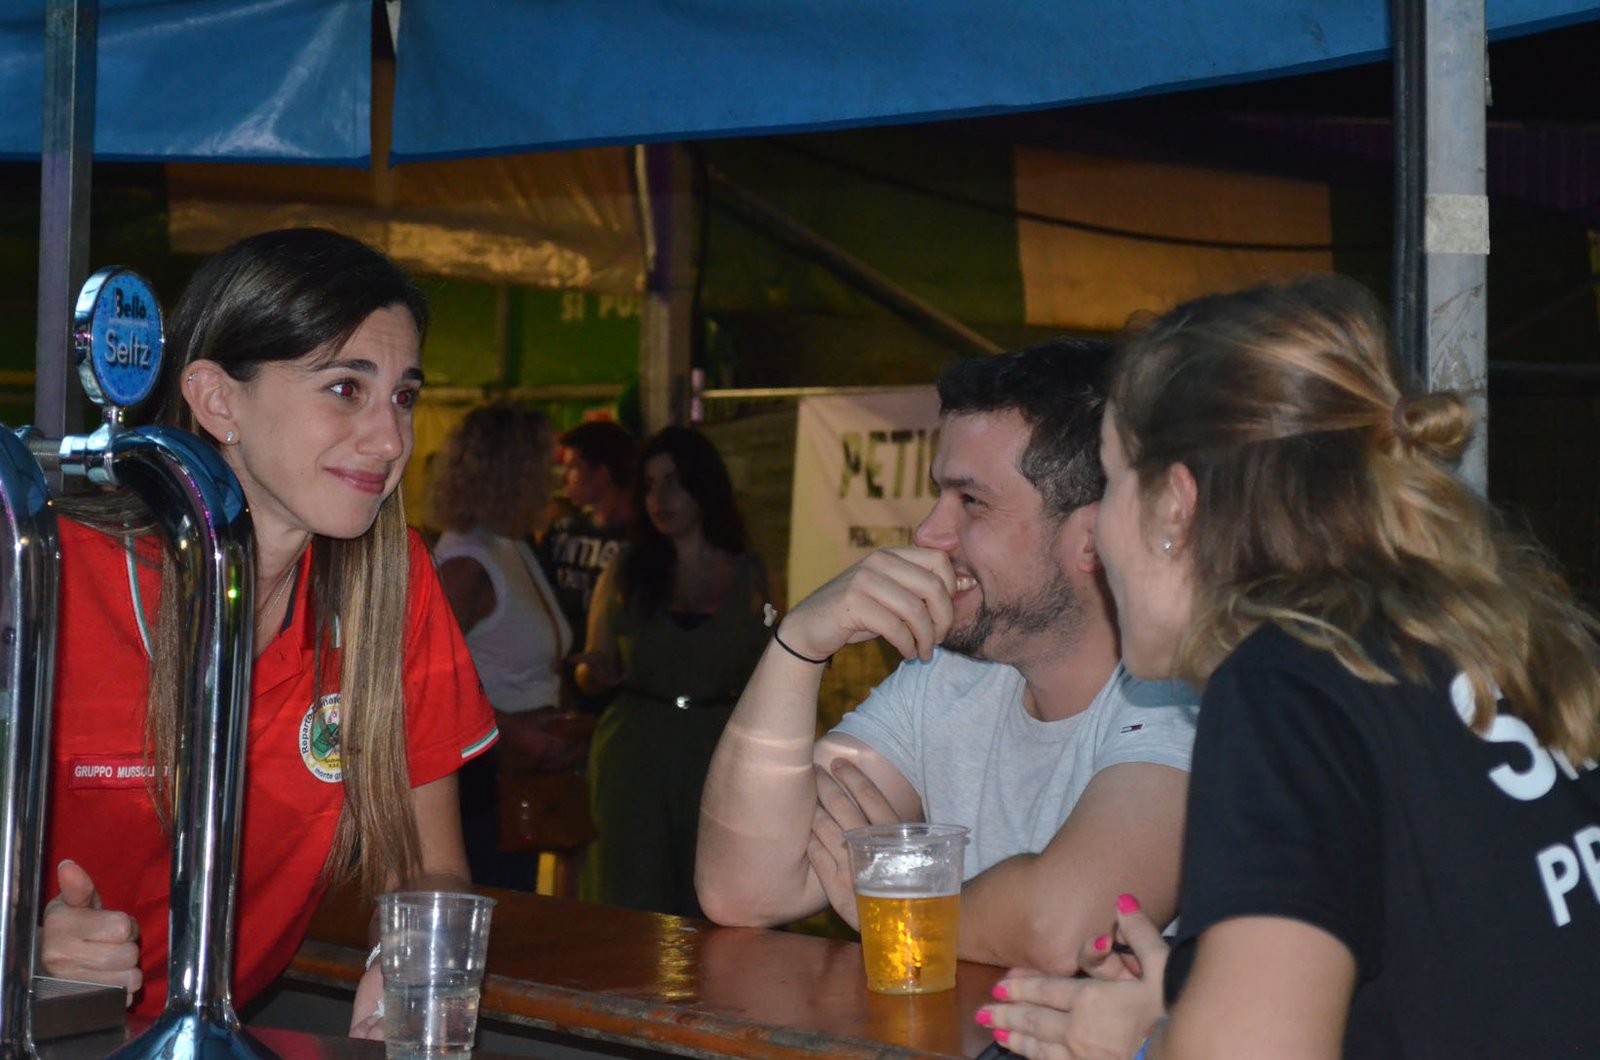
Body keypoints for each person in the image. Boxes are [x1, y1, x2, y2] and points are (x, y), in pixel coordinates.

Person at [978, 276, 1600, 1058]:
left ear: (1176, 506)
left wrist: (1148, 1045)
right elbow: (1466, 962)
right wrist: (1194, 994)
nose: (1097, 533)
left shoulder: (1284, 683)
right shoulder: (1476, 642)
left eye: (1110, 481)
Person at [38, 228, 496, 1037]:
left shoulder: (393, 587)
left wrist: (404, 960)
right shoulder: (58, 577)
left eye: (403, 397)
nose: (391, 441)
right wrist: (23, 950)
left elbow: (429, 866)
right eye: (346, 389)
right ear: (219, 402)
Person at [696, 339, 1199, 973]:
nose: (927, 533)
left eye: (971, 502)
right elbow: (741, 888)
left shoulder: (1181, 695)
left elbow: (1066, 923)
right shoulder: (949, 677)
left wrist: (904, 911)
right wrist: (798, 645)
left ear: (1095, 538)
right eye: (938, 495)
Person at [575, 426, 770, 916]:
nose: (659, 499)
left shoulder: (751, 573)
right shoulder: (625, 570)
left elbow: (771, 667)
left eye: (673, 482)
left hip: (717, 748)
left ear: (703, 486)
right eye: (649, 485)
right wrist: (594, 673)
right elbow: (591, 667)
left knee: (717, 901)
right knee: (630, 897)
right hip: (636, 751)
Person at [431, 402, 585, 891]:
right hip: (485, 783)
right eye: (542, 464)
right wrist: (512, 732)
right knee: (494, 905)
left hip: (519, 774)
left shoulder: (510, 546)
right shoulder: (468, 564)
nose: (551, 479)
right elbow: (427, 682)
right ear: (513, 473)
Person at [539, 419, 636, 699]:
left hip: (618, 683)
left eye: (573, 467)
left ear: (601, 473)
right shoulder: (561, 533)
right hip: (560, 679)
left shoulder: (641, 541)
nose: (564, 478)